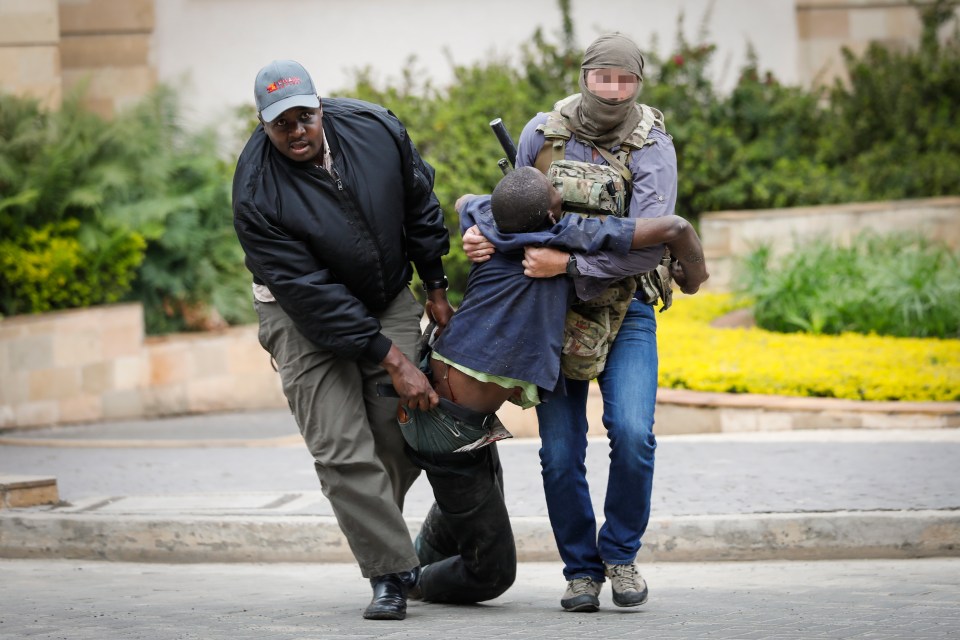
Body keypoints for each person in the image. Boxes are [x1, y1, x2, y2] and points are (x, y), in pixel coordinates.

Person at [463, 32, 697, 612]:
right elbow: (514, 211)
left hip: (628, 307)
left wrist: (571, 261)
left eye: (626, 80)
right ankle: (581, 571)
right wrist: (481, 238)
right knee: (560, 452)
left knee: (635, 435)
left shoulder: (653, 148)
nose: (614, 91)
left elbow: (648, 246)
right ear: (584, 75)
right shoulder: (542, 133)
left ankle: (620, 555)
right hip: (550, 311)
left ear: (639, 83)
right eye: (603, 77)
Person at [404, 166, 707, 606]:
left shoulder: (490, 216)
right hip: (452, 432)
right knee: (490, 572)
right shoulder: (562, 235)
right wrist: (694, 276)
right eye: (558, 199)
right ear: (552, 216)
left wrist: (473, 224)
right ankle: (402, 581)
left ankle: (413, 565)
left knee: (461, 504)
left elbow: (463, 201)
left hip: (450, 410)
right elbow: (676, 227)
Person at [232, 59, 454, 621]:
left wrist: (434, 283)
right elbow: (311, 296)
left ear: (320, 106)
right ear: (264, 126)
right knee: (338, 446)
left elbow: (419, 204)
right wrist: (392, 357)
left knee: (396, 431)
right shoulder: (256, 192)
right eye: (283, 124)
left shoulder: (376, 129)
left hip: (382, 295)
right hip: (295, 314)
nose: (297, 131)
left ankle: (388, 546)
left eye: (305, 116)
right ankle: (390, 572)